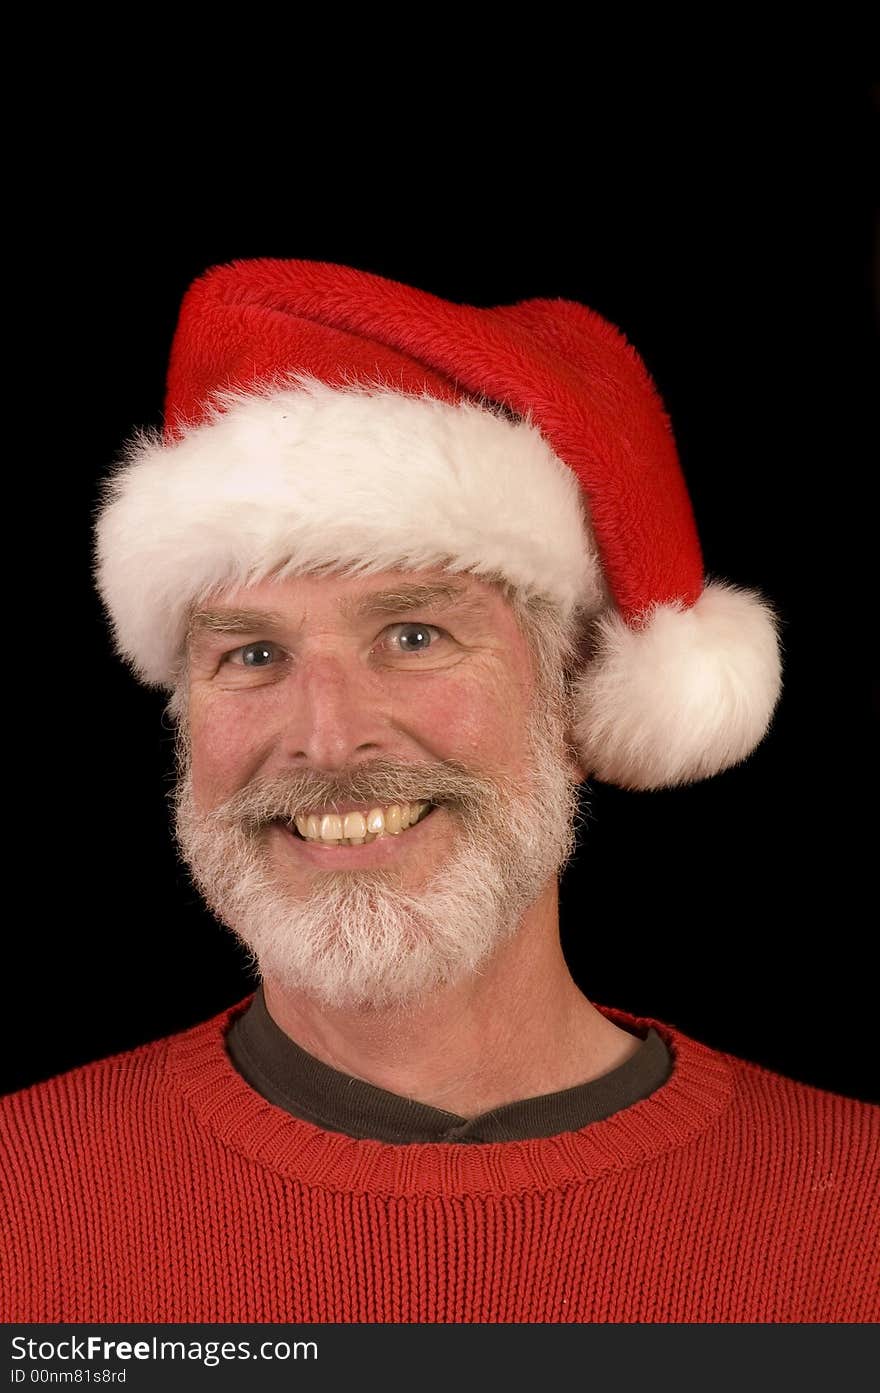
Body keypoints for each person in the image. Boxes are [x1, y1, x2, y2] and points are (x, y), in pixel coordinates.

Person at [2, 258, 877, 1325]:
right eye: (251, 655)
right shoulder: (22, 1199)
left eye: (413, 635)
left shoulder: (855, 1218)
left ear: (573, 698)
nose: (326, 738)